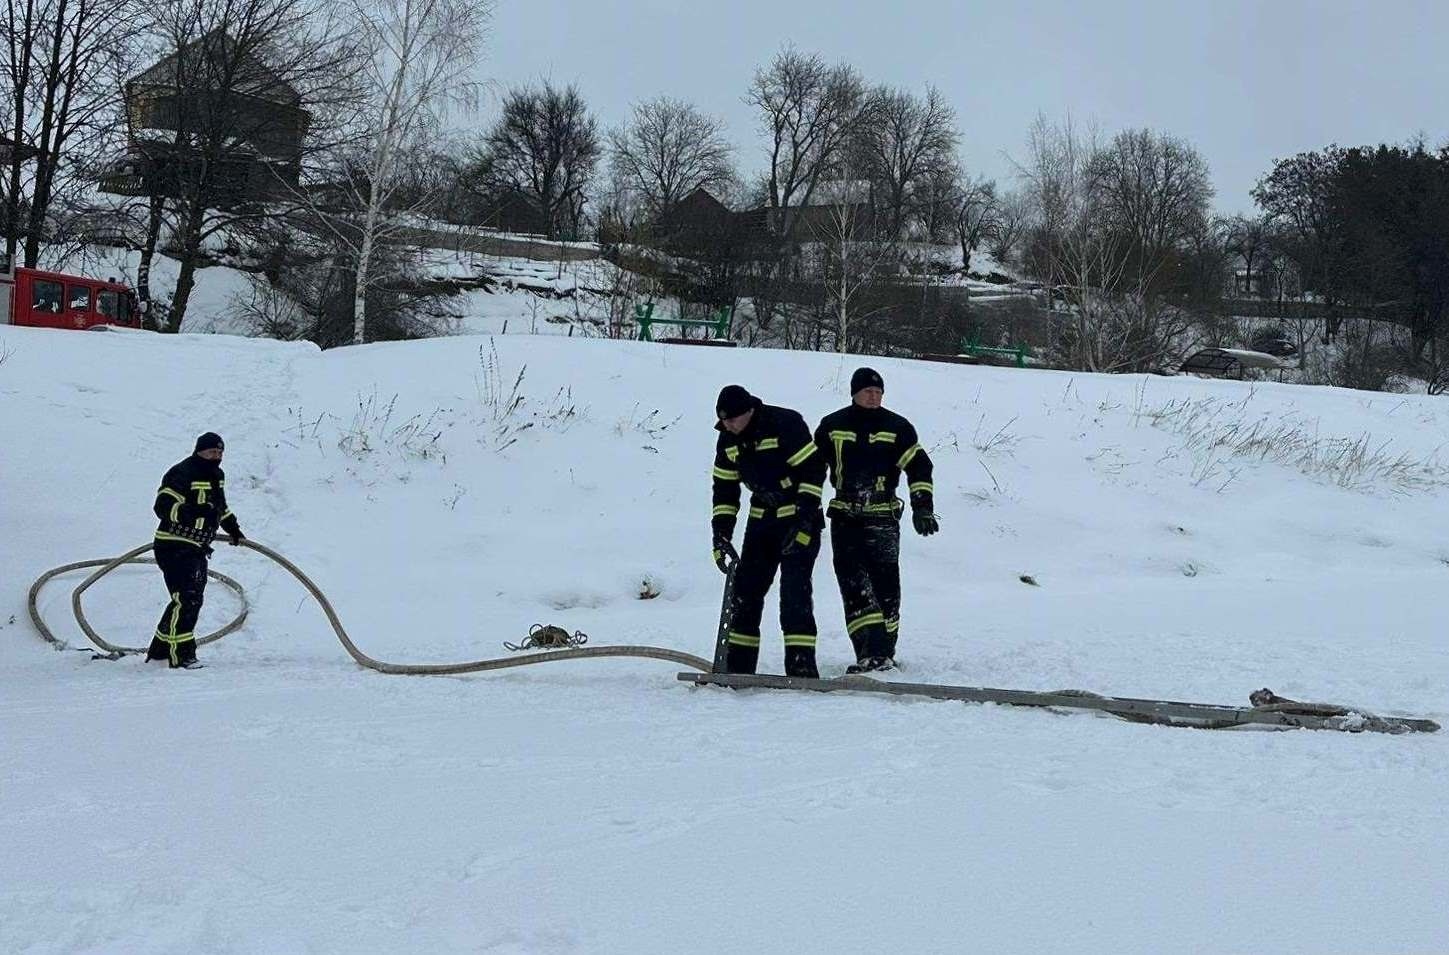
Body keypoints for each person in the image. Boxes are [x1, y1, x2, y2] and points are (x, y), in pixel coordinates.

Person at [814, 368, 938, 673]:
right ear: (855, 392)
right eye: (868, 391)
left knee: (886, 587)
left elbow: (919, 466)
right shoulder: (832, 425)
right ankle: (870, 653)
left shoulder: (897, 427)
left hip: (883, 519)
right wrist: (808, 507)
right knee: (854, 585)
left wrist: (923, 507)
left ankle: (886, 648)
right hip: (845, 517)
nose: (874, 396)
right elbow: (811, 468)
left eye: (878, 392)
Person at [710, 385, 828, 678]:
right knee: (746, 594)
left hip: (799, 519)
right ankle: (738, 668)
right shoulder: (727, 439)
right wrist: (721, 535)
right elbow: (724, 490)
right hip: (761, 520)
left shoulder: (784, 423)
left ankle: (801, 668)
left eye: (733, 420)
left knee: (794, 594)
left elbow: (814, 469)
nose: (729, 426)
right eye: (724, 422)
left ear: (749, 411)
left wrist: (803, 521)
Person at [147, 432, 245, 669]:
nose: (217, 456)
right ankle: (181, 655)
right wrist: (195, 513)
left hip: (197, 547)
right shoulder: (182, 473)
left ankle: (160, 651)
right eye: (212, 451)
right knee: (187, 598)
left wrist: (234, 529)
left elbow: (220, 507)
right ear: (199, 451)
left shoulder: (217, 475)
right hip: (173, 544)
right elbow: (162, 506)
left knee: (188, 598)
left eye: (220, 453)